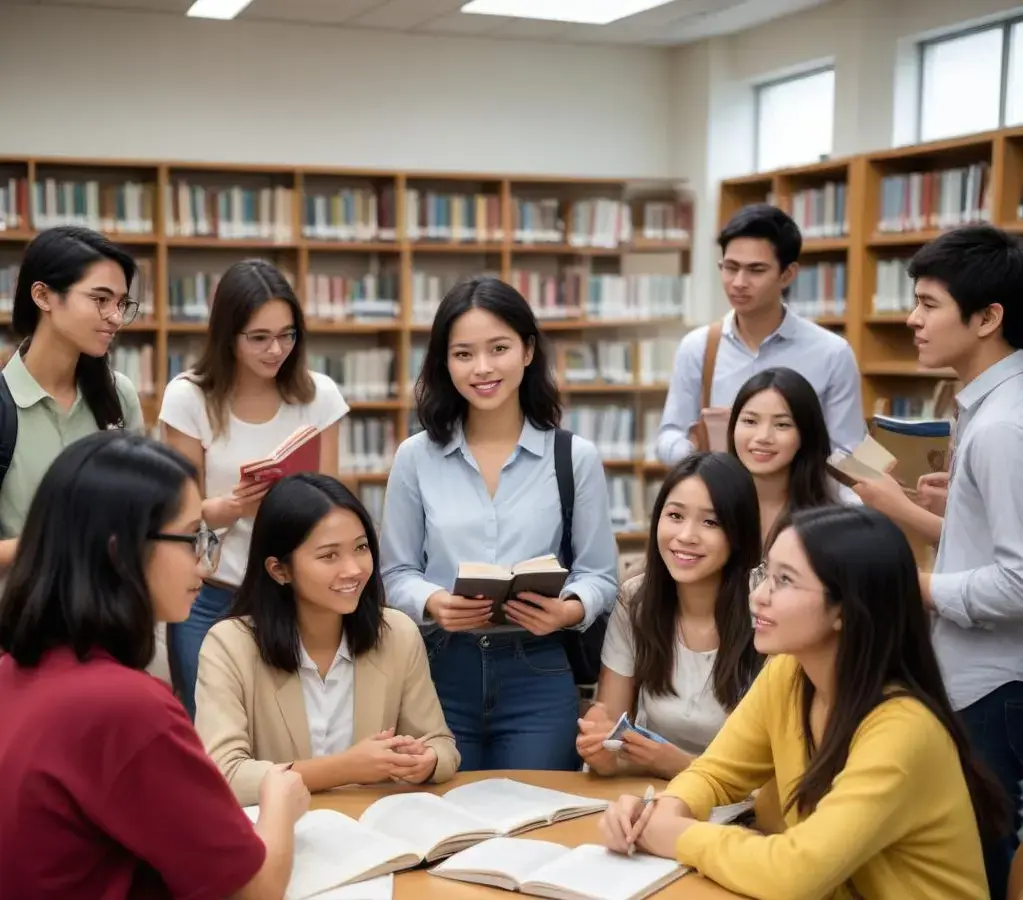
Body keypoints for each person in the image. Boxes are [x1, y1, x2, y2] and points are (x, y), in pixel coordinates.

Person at [598, 505, 1005, 900]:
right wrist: (665, 809)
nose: (758, 597)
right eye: (765, 574)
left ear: (845, 609)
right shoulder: (789, 672)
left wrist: (679, 835)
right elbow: (717, 773)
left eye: (785, 581)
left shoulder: (903, 727)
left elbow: (796, 874)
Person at [0, 431, 310, 899]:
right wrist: (280, 803)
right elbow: (255, 889)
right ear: (118, 551)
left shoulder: (13, 670)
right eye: (191, 538)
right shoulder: (125, 706)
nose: (205, 566)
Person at [379, 275, 618, 772]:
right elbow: (394, 574)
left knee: (537, 825)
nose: (482, 368)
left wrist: (568, 611)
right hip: (439, 669)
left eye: (499, 348)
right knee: (444, 829)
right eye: (463, 353)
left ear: (528, 351)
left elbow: (600, 576)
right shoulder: (416, 458)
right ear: (444, 361)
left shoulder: (574, 458)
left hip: (538, 667)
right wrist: (433, 602)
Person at [195, 473, 460, 806]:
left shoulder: (396, 633)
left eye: (361, 548)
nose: (353, 569)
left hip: (375, 835)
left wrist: (427, 761)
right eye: (329, 556)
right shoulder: (229, 645)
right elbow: (223, 775)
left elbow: (439, 743)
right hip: (283, 837)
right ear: (280, 570)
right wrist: (345, 768)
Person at [159, 259, 349, 719]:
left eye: (287, 335)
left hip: (292, 592)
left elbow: (332, 504)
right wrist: (225, 509)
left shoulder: (318, 395)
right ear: (228, 335)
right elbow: (174, 510)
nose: (276, 350)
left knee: (289, 726)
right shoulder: (189, 397)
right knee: (208, 730)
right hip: (210, 591)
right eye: (259, 338)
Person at [908, 225, 1023, 900]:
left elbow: (1019, 579)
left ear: (986, 317)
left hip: (994, 690)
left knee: (973, 869)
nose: (911, 319)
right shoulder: (991, 411)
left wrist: (914, 585)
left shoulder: (1004, 426)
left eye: (927, 304)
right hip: (979, 684)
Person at [576, 452, 762, 780]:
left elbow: (769, 778)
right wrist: (604, 755)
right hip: (649, 796)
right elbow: (613, 736)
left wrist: (677, 765)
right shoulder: (636, 600)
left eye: (711, 522)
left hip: (740, 810)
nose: (686, 535)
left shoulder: (765, 611)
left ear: (738, 534)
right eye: (675, 515)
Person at [655, 204, 864, 465]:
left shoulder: (832, 353)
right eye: (730, 267)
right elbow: (669, 434)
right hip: (722, 499)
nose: (739, 282)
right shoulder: (697, 347)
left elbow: (851, 449)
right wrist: (698, 455)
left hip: (801, 502)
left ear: (787, 275)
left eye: (756, 270)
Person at [0, 226, 144, 569]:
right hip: (21, 617)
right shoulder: (5, 407)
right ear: (44, 296)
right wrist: (60, 541)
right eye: (100, 299)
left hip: (106, 615)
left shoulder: (119, 395)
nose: (116, 318)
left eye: (122, 303)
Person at [727, 366, 858, 545]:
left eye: (782, 425)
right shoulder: (712, 507)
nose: (763, 437)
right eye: (750, 421)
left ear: (806, 433)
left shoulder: (833, 523)